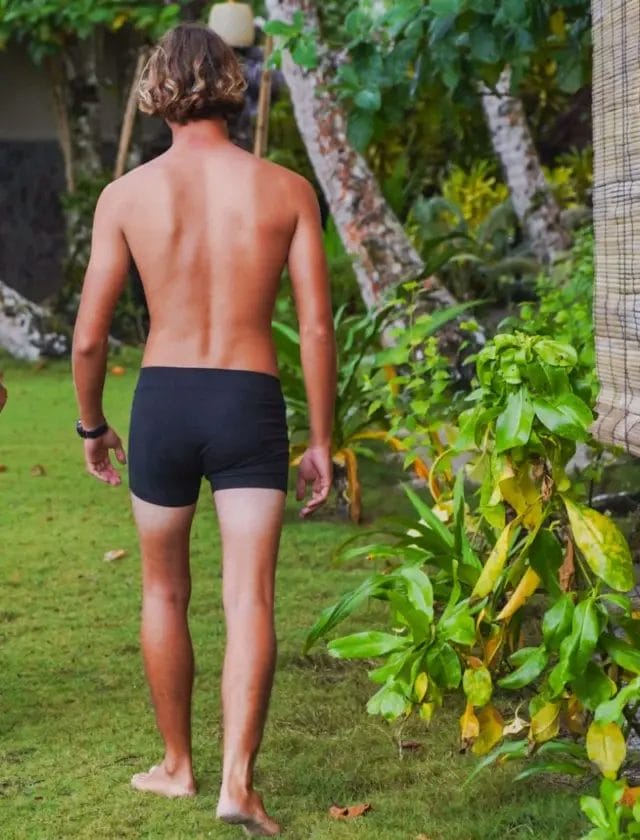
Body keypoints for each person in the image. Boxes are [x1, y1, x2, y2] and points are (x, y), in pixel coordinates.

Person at [72, 23, 336, 837]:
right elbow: (318, 327)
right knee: (248, 594)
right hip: (248, 399)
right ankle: (236, 782)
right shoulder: (287, 188)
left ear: (156, 91)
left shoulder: (126, 195)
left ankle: (177, 765)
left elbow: (88, 337)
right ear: (232, 82)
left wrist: (91, 425)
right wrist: (322, 439)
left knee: (164, 589)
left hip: (164, 401)